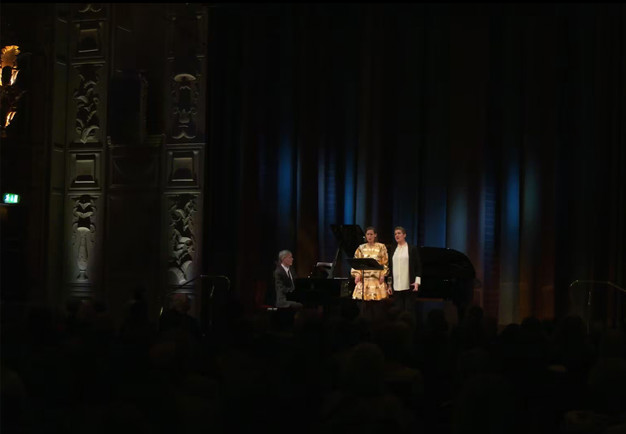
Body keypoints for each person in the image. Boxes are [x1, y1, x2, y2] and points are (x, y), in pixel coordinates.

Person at [351, 227, 390, 319]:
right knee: (364, 307)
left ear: (375, 235)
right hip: (365, 280)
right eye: (367, 234)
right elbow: (356, 263)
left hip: (376, 280)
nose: (369, 236)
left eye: (371, 234)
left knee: (376, 307)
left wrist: (383, 274)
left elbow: (385, 262)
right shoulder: (361, 248)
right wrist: (357, 274)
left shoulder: (381, 247)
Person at [388, 226, 422, 316]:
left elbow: (418, 266)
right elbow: (390, 268)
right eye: (395, 234)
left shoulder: (411, 249)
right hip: (396, 287)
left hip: (409, 285)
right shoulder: (393, 249)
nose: (397, 235)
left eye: (399, 233)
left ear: (404, 235)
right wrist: (389, 285)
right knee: (397, 312)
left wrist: (417, 282)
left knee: (408, 312)